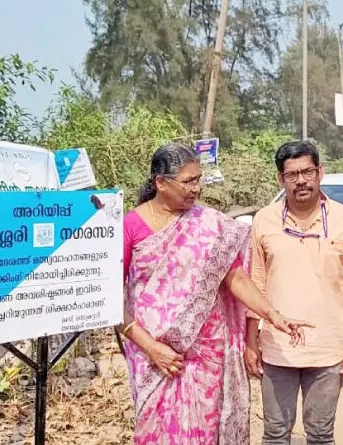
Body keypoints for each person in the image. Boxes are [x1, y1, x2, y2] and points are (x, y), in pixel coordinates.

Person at [118, 142, 312, 445]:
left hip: (208, 355)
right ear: (161, 183)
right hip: (155, 358)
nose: (196, 188)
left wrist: (274, 315)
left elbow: (235, 278)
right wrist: (153, 349)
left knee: (208, 435)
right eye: (188, 181)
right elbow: (112, 301)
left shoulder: (208, 223)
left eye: (199, 179)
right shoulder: (131, 226)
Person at [245, 140, 343, 445]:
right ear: (280, 179)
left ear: (320, 173)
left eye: (307, 172)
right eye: (291, 175)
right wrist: (250, 341)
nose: (301, 180)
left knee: (321, 435)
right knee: (275, 434)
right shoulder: (264, 220)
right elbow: (255, 285)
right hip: (277, 349)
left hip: (329, 348)